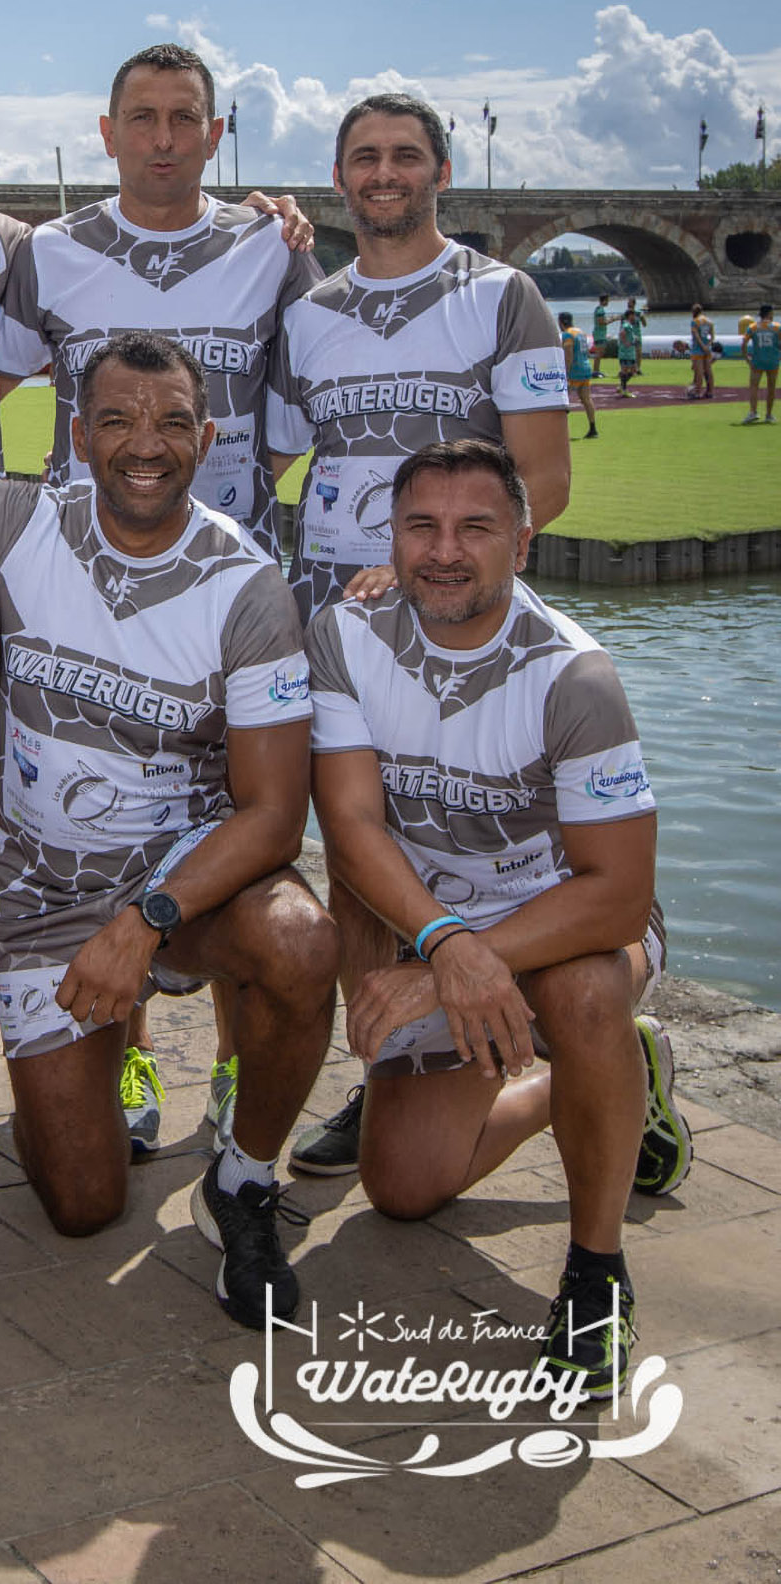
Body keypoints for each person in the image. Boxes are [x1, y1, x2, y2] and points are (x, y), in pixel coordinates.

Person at [0, 331, 336, 1327]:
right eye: (118, 420)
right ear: (77, 435)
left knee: (300, 941)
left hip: (183, 891)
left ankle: (243, 1176)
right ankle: (80, 1071)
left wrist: (142, 922)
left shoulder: (247, 588)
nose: (147, 443)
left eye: (172, 421)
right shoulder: (9, 519)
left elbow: (275, 813)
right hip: (44, 903)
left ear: (208, 435)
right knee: (83, 1207)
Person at [304, 438, 689, 1398]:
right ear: (387, 539)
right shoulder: (346, 638)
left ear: (521, 542)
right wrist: (444, 945)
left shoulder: (575, 677)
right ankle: (613, 1085)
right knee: (402, 1189)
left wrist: (453, 962)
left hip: (563, 926)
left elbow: (618, 894)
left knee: (586, 986)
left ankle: (596, 1274)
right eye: (421, 527)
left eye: (475, 527)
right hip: (443, 928)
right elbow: (348, 826)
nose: (444, 550)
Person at [0, 43, 324, 1144]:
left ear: (216, 135)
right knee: (99, 806)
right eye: (143, 117)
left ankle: (237, 1073)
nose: (164, 139)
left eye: (186, 118)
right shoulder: (47, 251)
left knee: (240, 816)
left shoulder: (269, 245)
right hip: (79, 587)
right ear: (107, 131)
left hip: (223, 589)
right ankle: (128, 1063)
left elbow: (301, 405)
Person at [267, 92, 572, 1175]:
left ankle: (558, 1023)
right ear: (340, 178)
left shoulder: (504, 295)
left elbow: (544, 480)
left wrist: (411, 567)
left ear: (440, 169)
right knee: (355, 849)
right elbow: (273, 464)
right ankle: (387, 1059)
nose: (383, 174)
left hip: (448, 618)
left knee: (450, 820)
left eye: (405, 155)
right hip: (330, 621)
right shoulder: (310, 309)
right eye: (364, 158)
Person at [560, 312, 597, 437]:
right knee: (586, 399)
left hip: (575, 370)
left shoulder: (567, 334)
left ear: (561, 322)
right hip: (585, 368)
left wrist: (566, 371)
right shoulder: (580, 332)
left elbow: (568, 354)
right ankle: (593, 428)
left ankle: (561, 431)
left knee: (564, 400)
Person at [740, 304, 778, 424]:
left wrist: (747, 359)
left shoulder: (753, 327)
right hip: (773, 361)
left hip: (758, 361)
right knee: (771, 388)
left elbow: (744, 343)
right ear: (769, 313)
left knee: (754, 387)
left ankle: (753, 412)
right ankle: (769, 415)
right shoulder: (777, 327)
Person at [688, 304, 716, 398]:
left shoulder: (695, 322)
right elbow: (712, 337)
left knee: (699, 371)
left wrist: (702, 346)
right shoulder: (709, 322)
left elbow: (696, 336)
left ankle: (698, 392)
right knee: (708, 371)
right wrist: (707, 346)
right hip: (707, 349)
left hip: (697, 349)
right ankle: (710, 391)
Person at [590, 293, 611, 379]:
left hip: (600, 334)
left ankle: (596, 370)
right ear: (605, 300)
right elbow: (601, 322)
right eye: (608, 300)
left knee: (600, 353)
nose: (608, 302)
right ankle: (595, 371)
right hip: (599, 334)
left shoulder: (599, 309)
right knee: (599, 353)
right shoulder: (600, 310)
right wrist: (612, 320)